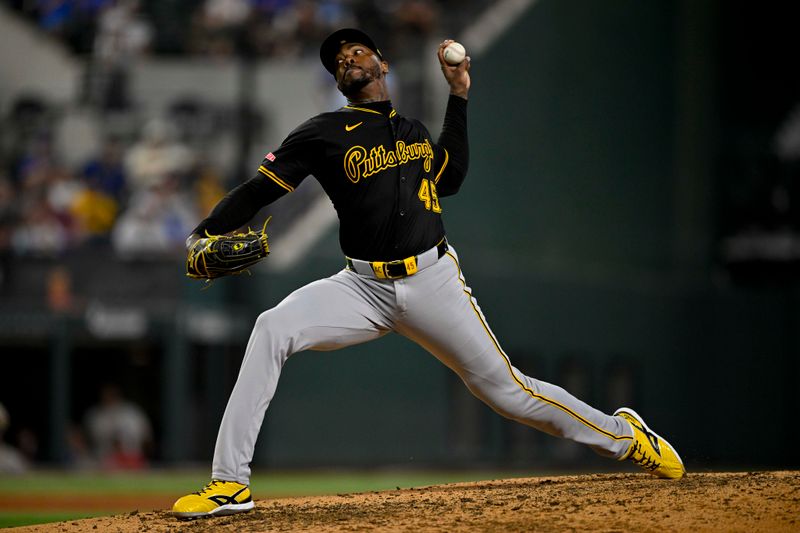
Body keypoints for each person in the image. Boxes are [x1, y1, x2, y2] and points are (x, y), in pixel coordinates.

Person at [172, 28, 685, 520]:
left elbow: (452, 177)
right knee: (271, 327)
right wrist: (204, 230)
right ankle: (229, 484)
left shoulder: (412, 131)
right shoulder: (321, 133)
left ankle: (623, 437)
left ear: (381, 63)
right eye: (337, 61)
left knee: (509, 393)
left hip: (432, 279)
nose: (346, 60)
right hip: (362, 286)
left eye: (355, 51)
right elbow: (259, 190)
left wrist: (458, 96)